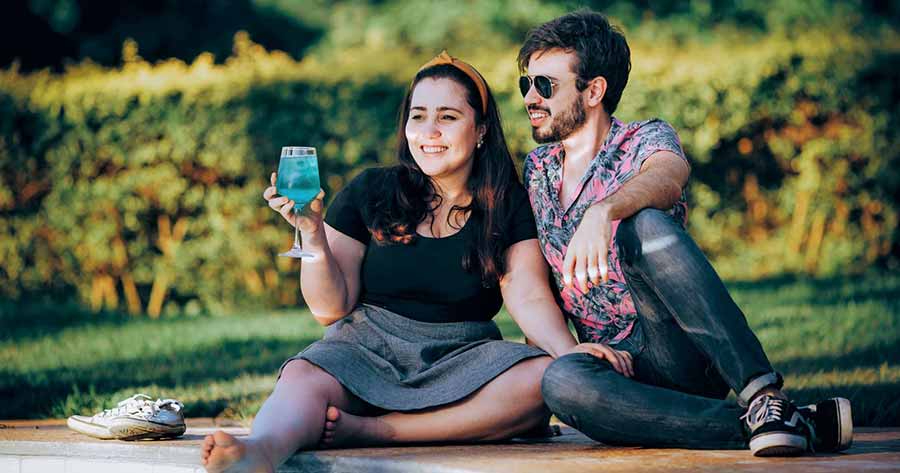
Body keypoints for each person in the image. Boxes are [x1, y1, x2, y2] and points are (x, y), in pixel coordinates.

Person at [200, 51, 626, 473]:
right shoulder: (371, 189)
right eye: (418, 116)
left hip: (464, 356)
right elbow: (329, 308)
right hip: (364, 349)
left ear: (480, 130)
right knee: (305, 378)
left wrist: (570, 355)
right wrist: (311, 233)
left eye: (447, 117)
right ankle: (259, 453)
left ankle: (379, 430)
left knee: (541, 380)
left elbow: (529, 296)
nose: (429, 131)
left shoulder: (505, 201)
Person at [516, 10, 853, 456]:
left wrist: (604, 211)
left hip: (679, 345)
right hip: (617, 371)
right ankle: (781, 425)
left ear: (594, 90)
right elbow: (537, 280)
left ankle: (762, 395)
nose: (529, 98)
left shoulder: (642, 139)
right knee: (560, 380)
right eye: (526, 84)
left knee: (645, 222)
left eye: (545, 86)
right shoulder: (537, 170)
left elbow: (670, 175)